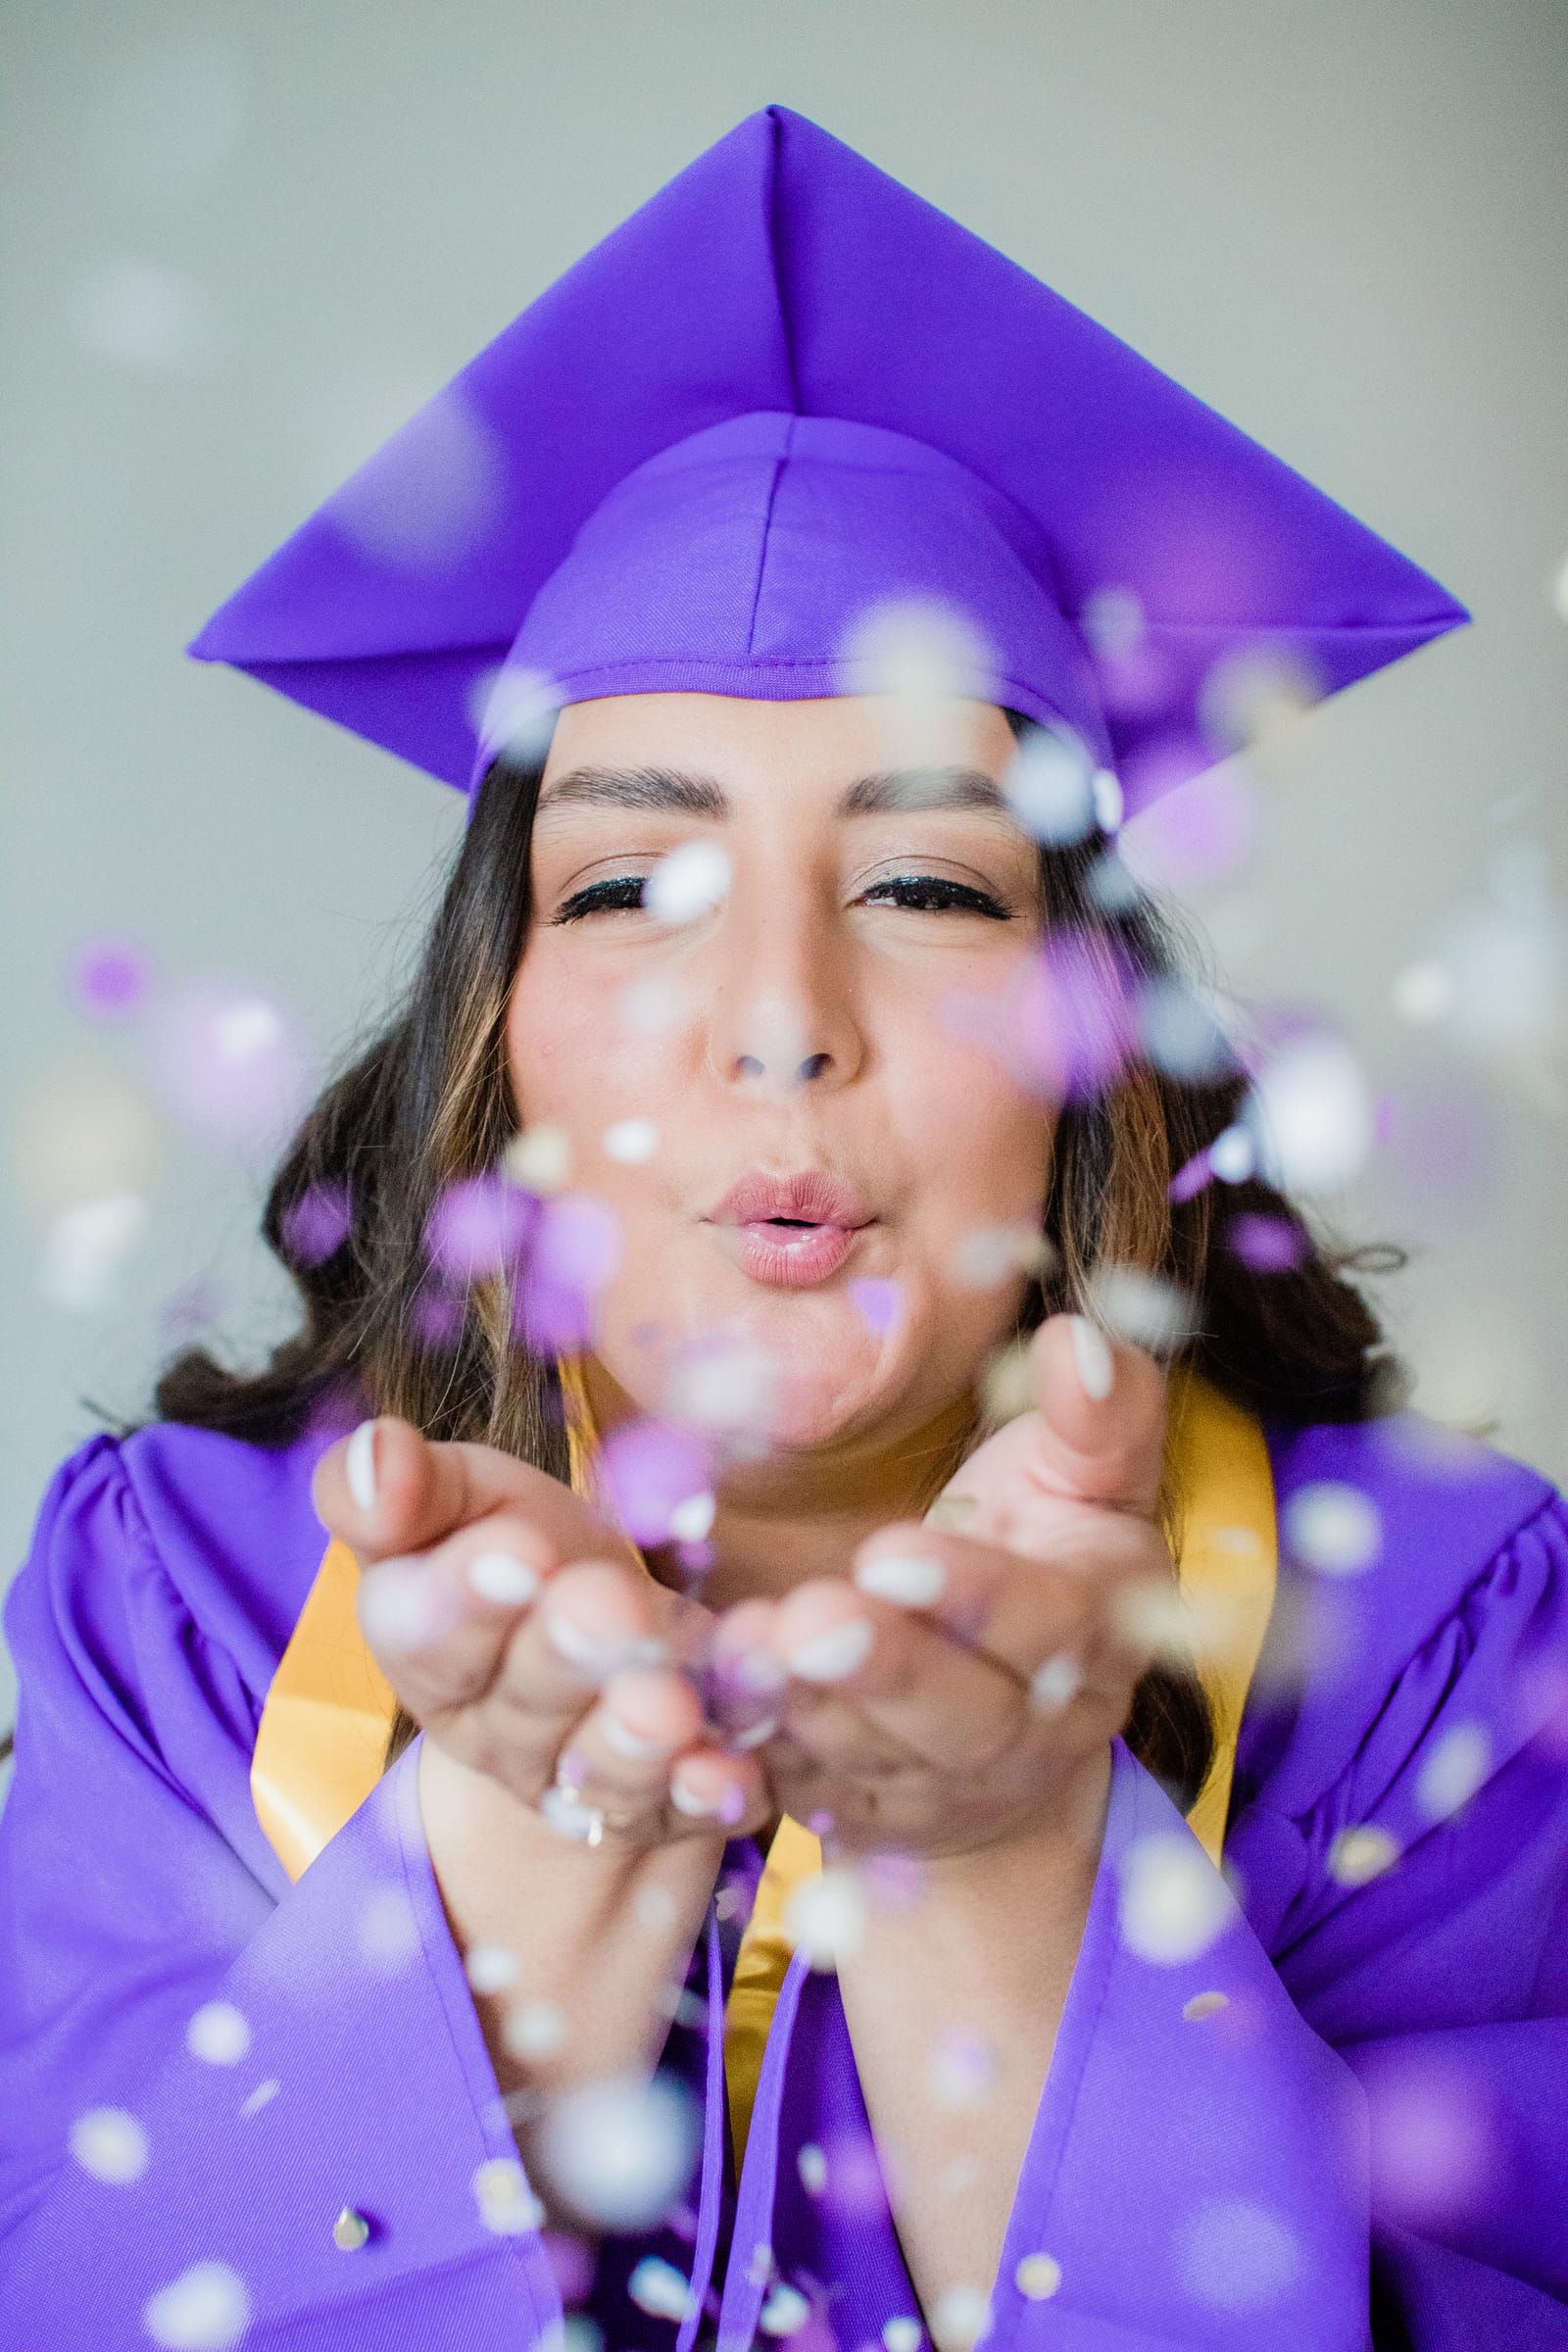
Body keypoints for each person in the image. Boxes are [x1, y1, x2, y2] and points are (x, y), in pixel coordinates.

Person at [2, 105, 1564, 2352]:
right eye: (628, 884)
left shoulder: (1426, 1651)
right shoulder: (184, 1612)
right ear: (496, 1024)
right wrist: (524, 1861)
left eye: (927, 886)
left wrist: (1005, 1864)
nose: (773, 1025)